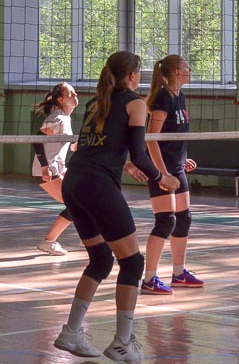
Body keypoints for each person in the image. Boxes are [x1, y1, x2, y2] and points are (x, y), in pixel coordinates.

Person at [53, 51, 180, 363]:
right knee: (132, 263)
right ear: (133, 75)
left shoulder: (97, 101)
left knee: (100, 259)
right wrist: (162, 177)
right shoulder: (135, 103)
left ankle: (71, 331)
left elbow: (97, 143)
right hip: (97, 186)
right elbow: (139, 153)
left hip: (75, 182)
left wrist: (119, 164)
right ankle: (122, 341)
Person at [141, 54, 202, 295]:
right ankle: (149, 278)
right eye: (187, 66)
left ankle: (179, 273)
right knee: (166, 221)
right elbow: (151, 138)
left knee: (184, 218)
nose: (190, 69)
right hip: (162, 169)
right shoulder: (162, 97)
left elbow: (172, 134)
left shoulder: (180, 96)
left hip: (176, 166)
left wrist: (180, 159)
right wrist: (162, 173)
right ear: (177, 72)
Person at [32, 83, 79, 256]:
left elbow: (56, 144)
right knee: (76, 205)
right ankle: (49, 242)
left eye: (74, 92)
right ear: (60, 100)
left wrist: (72, 146)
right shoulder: (58, 117)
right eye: (70, 93)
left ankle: (90, 236)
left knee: (82, 201)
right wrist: (45, 166)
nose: (75, 95)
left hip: (57, 169)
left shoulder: (65, 118)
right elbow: (37, 139)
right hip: (47, 171)